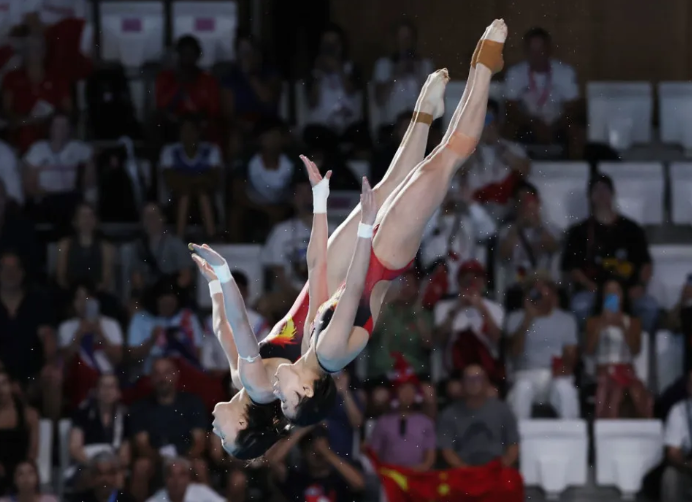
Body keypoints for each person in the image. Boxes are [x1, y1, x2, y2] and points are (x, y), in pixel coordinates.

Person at [201, 20, 507, 429]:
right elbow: (355, 285)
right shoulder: (322, 356)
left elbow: (317, 275)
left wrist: (321, 205)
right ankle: (484, 66)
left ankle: (432, 108)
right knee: (446, 159)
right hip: (382, 257)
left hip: (371, 255)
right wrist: (365, 227)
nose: (278, 397)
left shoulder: (313, 349)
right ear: (305, 393)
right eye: (287, 402)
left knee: (421, 171)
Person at [195, 60, 452, 459]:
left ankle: (424, 117)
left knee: (383, 193)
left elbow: (221, 326)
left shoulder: (246, 378)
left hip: (324, 289)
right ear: (244, 424)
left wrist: (212, 284)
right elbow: (242, 328)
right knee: (391, 202)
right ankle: (440, 133)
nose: (216, 432)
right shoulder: (260, 386)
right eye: (225, 440)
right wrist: (225, 276)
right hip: (343, 301)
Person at [562, 174, 659, 334]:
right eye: (596, 190)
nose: (601, 194)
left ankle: (637, 353)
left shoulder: (632, 229)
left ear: (613, 194)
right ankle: (587, 353)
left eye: (605, 189)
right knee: (579, 306)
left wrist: (640, 286)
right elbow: (573, 268)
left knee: (649, 307)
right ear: (590, 197)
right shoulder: (579, 231)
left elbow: (645, 264)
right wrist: (589, 286)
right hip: (594, 291)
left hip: (627, 292)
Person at [129, 358, 208, 502]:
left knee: (199, 466)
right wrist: (162, 459)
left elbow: (199, 441)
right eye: (157, 374)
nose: (162, 378)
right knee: (141, 466)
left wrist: (184, 459)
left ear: (176, 375)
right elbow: (142, 445)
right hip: (156, 460)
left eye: (166, 372)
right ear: (151, 378)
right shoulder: (140, 407)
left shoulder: (192, 403)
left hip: (186, 457)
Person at [506, 273, 580, 419]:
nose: (538, 292)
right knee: (522, 389)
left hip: (555, 373)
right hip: (525, 374)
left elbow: (570, 355)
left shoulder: (566, 319)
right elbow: (514, 353)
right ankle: (517, 440)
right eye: (533, 288)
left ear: (552, 293)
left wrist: (565, 365)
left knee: (565, 390)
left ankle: (571, 439)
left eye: (543, 287)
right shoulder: (515, 318)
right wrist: (528, 318)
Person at [504, 27, 582, 158]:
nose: (537, 56)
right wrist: (534, 124)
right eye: (532, 51)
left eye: (541, 50)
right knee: (506, 129)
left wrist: (554, 126)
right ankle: (510, 171)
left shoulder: (565, 72)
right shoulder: (515, 73)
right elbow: (510, 108)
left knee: (577, 131)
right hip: (526, 123)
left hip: (558, 122)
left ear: (549, 50)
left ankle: (575, 170)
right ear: (526, 51)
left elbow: (573, 108)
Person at [0, 251, 59, 419]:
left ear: (22, 272)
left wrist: (49, 363)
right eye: (5, 269)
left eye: (14, 268)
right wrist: (6, 381)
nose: (10, 273)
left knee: (53, 377)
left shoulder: (37, 300)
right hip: (1, 376)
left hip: (33, 377)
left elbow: (47, 336)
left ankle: (52, 436)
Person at [586, 278, 652, 419]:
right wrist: (600, 325)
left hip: (625, 369)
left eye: (616, 291)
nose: (612, 294)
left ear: (622, 296)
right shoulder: (593, 322)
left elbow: (636, 350)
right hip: (603, 369)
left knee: (631, 390)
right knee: (611, 386)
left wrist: (622, 327)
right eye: (608, 291)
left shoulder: (633, 322)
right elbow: (589, 350)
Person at [434, 260, 505, 388]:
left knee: (489, 391)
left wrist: (482, 310)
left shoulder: (495, 308)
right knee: (455, 389)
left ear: (483, 282)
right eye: (466, 279)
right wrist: (457, 308)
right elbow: (439, 339)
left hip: (486, 368)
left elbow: (497, 339)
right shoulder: (443, 307)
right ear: (459, 282)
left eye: (476, 279)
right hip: (456, 370)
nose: (471, 283)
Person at [302, 24, 368, 156]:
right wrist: (319, 73)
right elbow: (311, 102)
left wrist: (338, 69)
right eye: (327, 44)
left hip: (349, 125)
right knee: (313, 136)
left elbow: (351, 90)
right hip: (323, 127)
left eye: (334, 43)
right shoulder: (313, 71)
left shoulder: (353, 68)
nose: (330, 48)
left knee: (361, 134)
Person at [438, 364, 519, 468]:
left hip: (497, 470)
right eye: (468, 379)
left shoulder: (503, 410)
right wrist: (467, 470)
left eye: (478, 378)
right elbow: (447, 451)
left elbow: (513, 445)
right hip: (464, 472)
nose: (473, 382)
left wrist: (500, 468)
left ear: (487, 383)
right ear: (461, 383)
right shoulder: (449, 414)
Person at [23, 112, 96, 227]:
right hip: (46, 198)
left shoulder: (80, 149)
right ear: (50, 128)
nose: (61, 130)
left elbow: (89, 182)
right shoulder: (38, 149)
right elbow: (29, 186)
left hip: (71, 198)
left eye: (64, 126)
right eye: (57, 126)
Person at [2, 35, 72, 153]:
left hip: (52, 130)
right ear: (23, 52)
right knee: (25, 133)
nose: (34, 52)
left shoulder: (57, 78)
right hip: (22, 131)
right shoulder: (12, 78)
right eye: (30, 48)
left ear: (45, 51)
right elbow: (6, 111)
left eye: (38, 48)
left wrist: (51, 118)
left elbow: (69, 109)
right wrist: (26, 120)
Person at [230, 118, 296, 242]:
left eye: (276, 136)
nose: (272, 141)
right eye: (268, 136)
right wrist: (266, 209)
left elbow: (298, 191)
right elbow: (238, 194)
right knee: (236, 213)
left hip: (283, 207)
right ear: (259, 139)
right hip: (253, 206)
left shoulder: (292, 161)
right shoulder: (247, 159)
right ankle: (237, 248)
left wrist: (284, 207)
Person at [59, 283, 124, 409]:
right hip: (78, 378)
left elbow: (118, 359)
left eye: (87, 298)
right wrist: (78, 335)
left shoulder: (111, 324)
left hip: (106, 375)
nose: (83, 303)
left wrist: (101, 334)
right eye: (79, 298)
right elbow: (65, 362)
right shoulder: (66, 327)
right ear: (73, 303)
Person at [465, 99, 530, 222]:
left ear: (498, 121)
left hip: (505, 208)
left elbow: (525, 170)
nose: (485, 124)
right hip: (474, 207)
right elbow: (459, 172)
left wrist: (498, 146)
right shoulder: (465, 149)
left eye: (488, 119)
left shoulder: (512, 148)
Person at [498, 182, 560, 311]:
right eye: (521, 201)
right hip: (518, 286)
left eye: (529, 200)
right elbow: (504, 254)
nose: (526, 206)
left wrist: (537, 224)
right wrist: (518, 226)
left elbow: (553, 247)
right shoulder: (507, 230)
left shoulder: (550, 228)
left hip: (544, 286)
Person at [159, 115, 222, 238]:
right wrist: (198, 180)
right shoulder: (169, 151)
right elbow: (171, 181)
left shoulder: (212, 150)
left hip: (206, 200)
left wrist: (186, 180)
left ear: (199, 132)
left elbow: (214, 179)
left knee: (202, 194)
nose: (188, 135)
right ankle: (179, 236)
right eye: (185, 131)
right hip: (176, 201)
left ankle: (212, 236)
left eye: (192, 130)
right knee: (185, 194)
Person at [266, 426, 365, 502]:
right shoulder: (297, 479)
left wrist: (327, 452)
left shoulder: (339, 479)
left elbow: (359, 484)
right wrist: (303, 429)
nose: (316, 453)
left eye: (319, 449)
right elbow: (274, 461)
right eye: (310, 449)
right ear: (303, 453)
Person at [67, 373, 130, 491]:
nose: (107, 391)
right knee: (89, 476)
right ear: (96, 391)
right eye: (104, 387)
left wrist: (110, 467)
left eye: (112, 387)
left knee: (118, 477)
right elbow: (74, 449)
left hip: (113, 465)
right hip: (87, 464)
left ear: (118, 392)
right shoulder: (82, 414)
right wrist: (95, 465)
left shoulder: (124, 416)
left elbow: (125, 454)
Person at [155, 35, 221, 142]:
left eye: (191, 54)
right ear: (178, 55)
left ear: (198, 56)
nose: (187, 59)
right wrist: (178, 84)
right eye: (184, 54)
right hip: (172, 125)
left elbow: (213, 110)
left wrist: (196, 120)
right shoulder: (165, 78)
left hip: (199, 125)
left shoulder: (208, 81)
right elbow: (161, 106)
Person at [373, 20, 434, 129]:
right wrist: (395, 75)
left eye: (408, 38)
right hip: (392, 125)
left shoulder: (425, 65)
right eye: (401, 38)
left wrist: (418, 73)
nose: (405, 43)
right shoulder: (383, 65)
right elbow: (379, 100)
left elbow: (431, 103)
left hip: (418, 125)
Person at [130, 203, 193, 301]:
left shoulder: (175, 244)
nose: (150, 220)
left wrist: (169, 293)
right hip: (149, 296)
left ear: (162, 218)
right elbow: (137, 278)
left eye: (154, 216)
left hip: (172, 295)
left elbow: (186, 277)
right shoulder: (139, 246)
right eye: (147, 217)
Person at [368, 379, 436, 470]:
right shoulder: (383, 422)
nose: (407, 394)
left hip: (418, 475)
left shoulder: (426, 422)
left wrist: (417, 471)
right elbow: (374, 454)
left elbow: (430, 458)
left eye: (411, 390)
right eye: (403, 389)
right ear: (395, 393)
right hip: (389, 475)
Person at [221, 33, 281, 133]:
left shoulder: (271, 73)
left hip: (268, 124)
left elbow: (268, 100)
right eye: (243, 52)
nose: (248, 56)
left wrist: (250, 75)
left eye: (251, 51)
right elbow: (228, 114)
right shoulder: (230, 77)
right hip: (241, 126)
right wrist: (244, 125)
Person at [56, 203, 116, 293]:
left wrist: (89, 296)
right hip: (70, 294)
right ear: (75, 221)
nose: (87, 220)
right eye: (83, 216)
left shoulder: (106, 247)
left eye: (90, 216)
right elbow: (60, 277)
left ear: (96, 221)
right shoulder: (64, 245)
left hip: (97, 294)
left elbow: (106, 280)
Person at [0, 370, 39, 496]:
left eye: (3, 383)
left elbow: (33, 451)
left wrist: (23, 471)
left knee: (26, 476)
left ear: (11, 386)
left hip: (22, 465)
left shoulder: (29, 415)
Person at [662, 370, 692, 502]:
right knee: (670, 476)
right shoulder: (678, 411)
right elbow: (673, 452)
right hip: (688, 469)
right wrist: (687, 464)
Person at [145, 457, 224, 502]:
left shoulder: (202, 492)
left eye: (181, 475)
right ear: (165, 479)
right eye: (171, 475)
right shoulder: (156, 500)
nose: (176, 481)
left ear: (188, 478)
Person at [70, 451, 137, 502]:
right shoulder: (80, 499)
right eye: (99, 474)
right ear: (92, 477)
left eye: (109, 474)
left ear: (115, 476)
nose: (105, 479)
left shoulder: (128, 500)